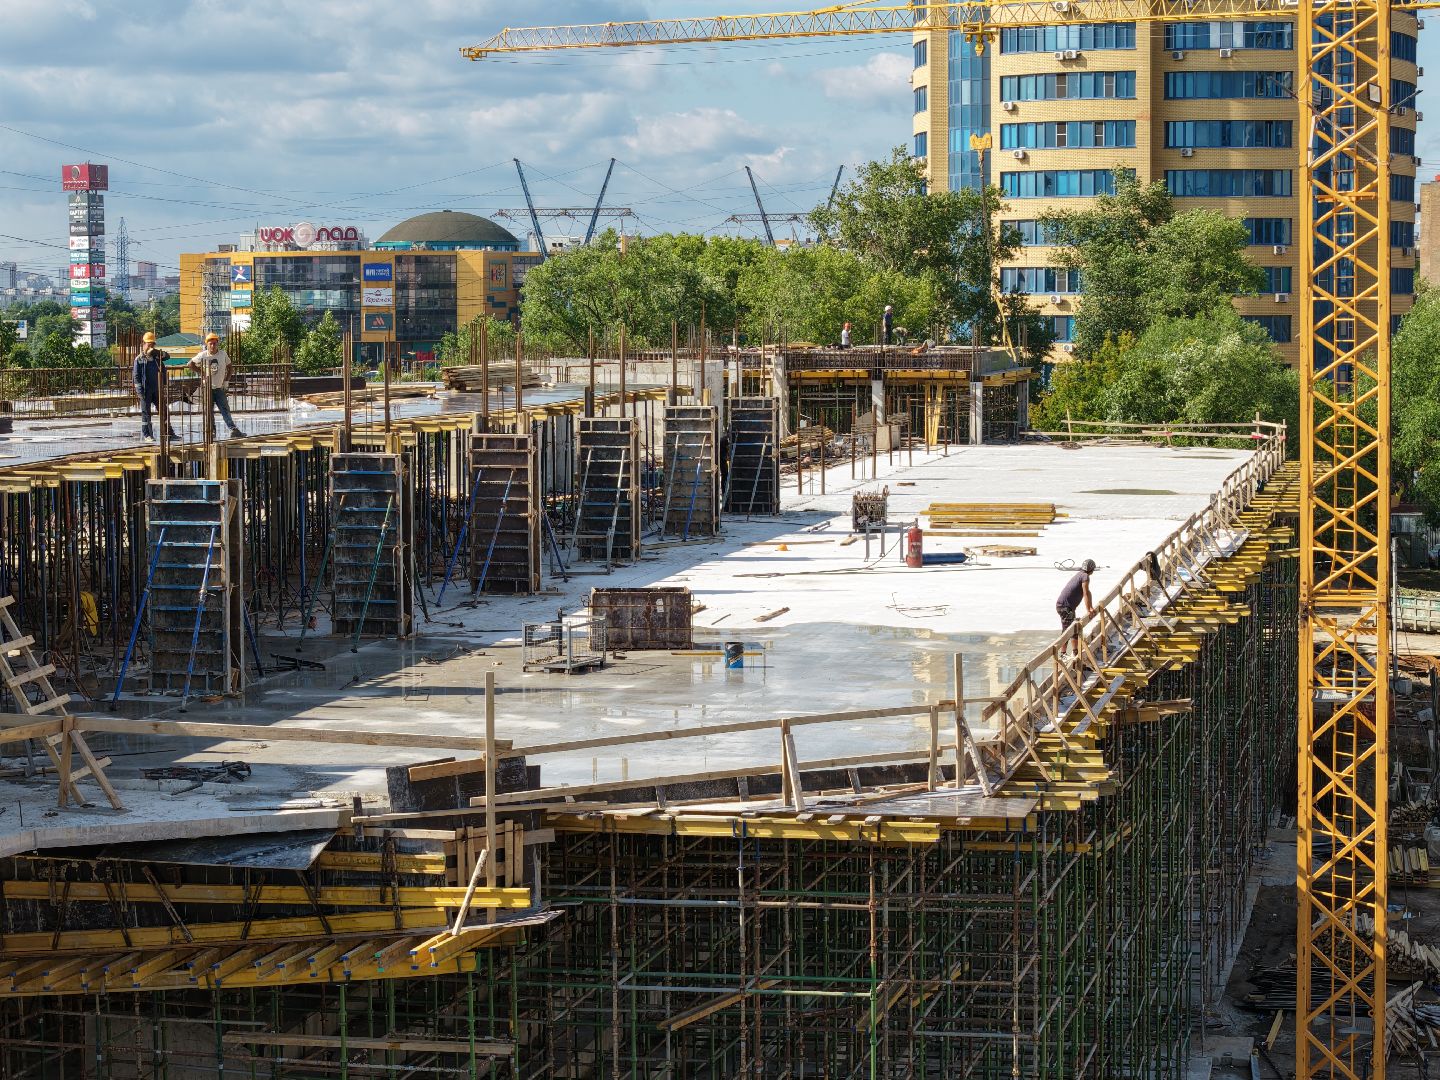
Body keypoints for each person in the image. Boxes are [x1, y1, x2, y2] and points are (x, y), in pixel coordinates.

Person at [188, 332, 244, 438]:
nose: (213, 346)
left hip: (219, 388)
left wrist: (226, 380)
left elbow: (230, 367)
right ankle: (211, 431)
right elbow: (190, 364)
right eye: (211, 344)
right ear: (207, 344)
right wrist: (202, 372)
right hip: (207, 388)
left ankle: (233, 429)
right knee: (209, 411)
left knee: (225, 409)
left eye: (214, 343)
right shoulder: (202, 355)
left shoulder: (223, 354)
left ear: (217, 343)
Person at [132, 332, 177, 443]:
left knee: (164, 411)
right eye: (148, 344)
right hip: (145, 390)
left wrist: (156, 352)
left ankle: (168, 433)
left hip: (157, 389)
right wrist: (139, 391)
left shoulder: (157, 357)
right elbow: (136, 377)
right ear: (143, 344)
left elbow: (168, 356)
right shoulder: (139, 359)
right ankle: (147, 434)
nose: (151, 346)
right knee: (146, 414)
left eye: (152, 344)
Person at [1056, 559, 1096, 656]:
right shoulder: (1085, 577)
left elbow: (1088, 593)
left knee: (1068, 629)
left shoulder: (1080, 574)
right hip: (1065, 607)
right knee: (1071, 630)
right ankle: (1069, 653)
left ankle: (1068, 653)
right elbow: (1085, 593)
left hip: (1064, 606)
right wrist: (1088, 610)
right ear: (1091, 569)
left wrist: (1090, 607)